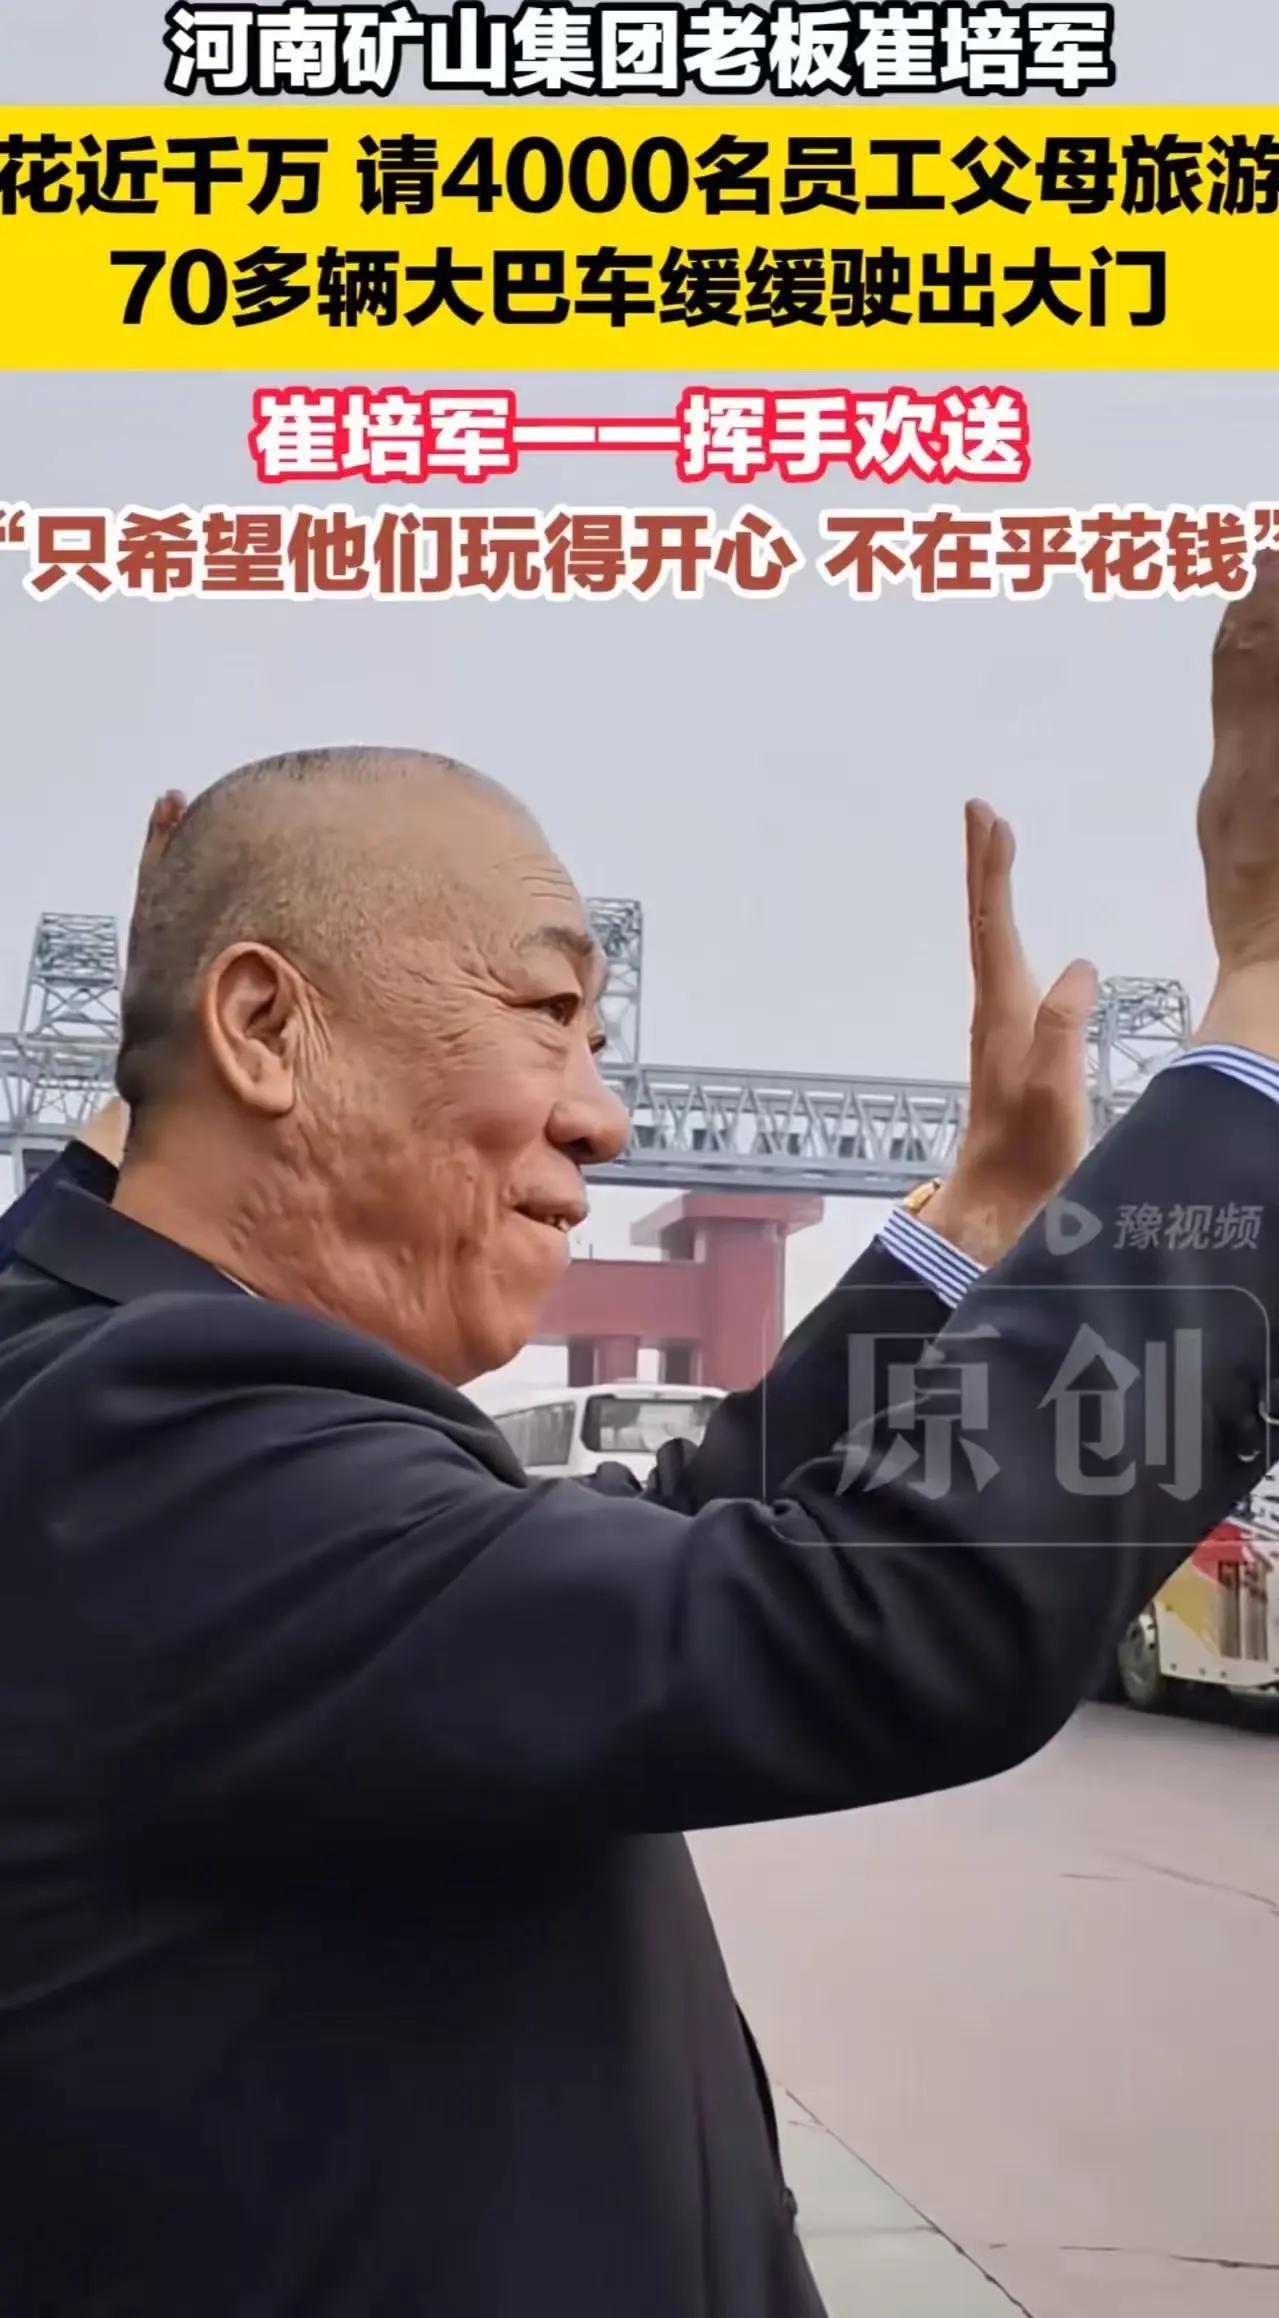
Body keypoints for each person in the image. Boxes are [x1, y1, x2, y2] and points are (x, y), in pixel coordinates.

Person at [4, 565, 1279, 2318]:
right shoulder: (143, 1449)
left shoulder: (134, 1400)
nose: (605, 1114)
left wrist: (974, 1223)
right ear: (266, 1026)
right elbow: (884, 1613)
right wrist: (1261, 1002)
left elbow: (683, 1535)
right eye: (550, 1015)